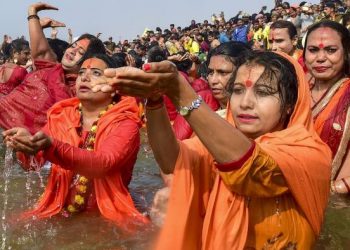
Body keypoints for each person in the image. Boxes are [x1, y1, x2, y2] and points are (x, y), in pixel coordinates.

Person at [93, 50, 331, 249]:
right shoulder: (219, 141)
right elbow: (171, 162)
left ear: (290, 104)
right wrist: (154, 101)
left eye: (263, 92)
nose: (245, 102)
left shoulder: (309, 151)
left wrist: (182, 92)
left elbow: (251, 168)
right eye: (238, 90)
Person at [2, 54, 149, 231]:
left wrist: (51, 146)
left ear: (115, 87)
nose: (84, 77)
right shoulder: (61, 116)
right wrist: (25, 146)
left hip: (106, 219)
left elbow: (103, 163)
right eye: (81, 73)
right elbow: (33, 166)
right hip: (59, 210)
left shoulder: (126, 123)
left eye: (96, 73)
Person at [0, 2, 105, 133]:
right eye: (73, 46)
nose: (72, 51)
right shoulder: (51, 66)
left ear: (89, 61)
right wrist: (33, 12)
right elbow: (40, 51)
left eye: (81, 52)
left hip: (25, 143)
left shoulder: (82, 90)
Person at [303, 20, 350, 194]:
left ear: (346, 53)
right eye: (313, 50)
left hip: (335, 202)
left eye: (331, 50)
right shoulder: (295, 88)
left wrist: (339, 188)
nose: (320, 58)